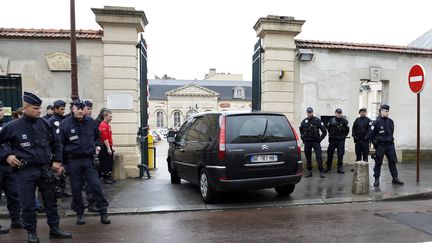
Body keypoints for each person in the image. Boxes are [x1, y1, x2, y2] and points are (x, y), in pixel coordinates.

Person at [0, 92, 72, 242]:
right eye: (35, 108)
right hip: (25, 171)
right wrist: (7, 155)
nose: (39, 111)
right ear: (25, 108)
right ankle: (31, 232)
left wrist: (57, 161)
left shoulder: (45, 124)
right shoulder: (12, 126)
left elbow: (57, 143)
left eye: (40, 108)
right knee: (28, 204)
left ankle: (55, 228)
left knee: (50, 201)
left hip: (45, 169)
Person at [59, 99, 111, 225]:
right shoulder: (65, 124)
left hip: (89, 160)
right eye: (78, 108)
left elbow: (97, 138)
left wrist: (98, 146)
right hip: (73, 161)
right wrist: (61, 163)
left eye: (82, 109)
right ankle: (80, 213)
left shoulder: (91, 122)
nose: (80, 111)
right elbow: (59, 144)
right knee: (76, 189)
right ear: (73, 109)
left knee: (96, 186)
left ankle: (103, 212)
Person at [0, 101, 23, 234]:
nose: (1, 112)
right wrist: (6, 156)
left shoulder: (5, 127)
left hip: (8, 168)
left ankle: (16, 220)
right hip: (2, 163)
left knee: (14, 194)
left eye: (2, 109)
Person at [370, 104, 404, 187]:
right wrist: (376, 144)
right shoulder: (376, 122)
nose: (387, 113)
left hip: (389, 145)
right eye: (386, 111)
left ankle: (395, 178)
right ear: (381, 111)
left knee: (392, 162)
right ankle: (376, 179)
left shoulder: (390, 121)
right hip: (381, 145)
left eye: (388, 111)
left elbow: (391, 132)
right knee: (378, 162)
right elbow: (371, 135)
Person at [299, 107, 327, 178]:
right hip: (307, 142)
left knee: (319, 156)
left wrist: (320, 139)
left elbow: (324, 131)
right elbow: (301, 130)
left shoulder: (317, 120)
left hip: (315, 141)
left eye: (310, 112)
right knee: (308, 157)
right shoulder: (304, 121)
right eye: (308, 112)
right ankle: (309, 172)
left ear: (312, 112)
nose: (309, 113)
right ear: (306, 113)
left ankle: (321, 171)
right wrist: (303, 138)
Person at [324, 108, 349, 174]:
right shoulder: (331, 120)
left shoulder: (344, 121)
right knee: (329, 153)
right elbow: (328, 129)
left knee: (341, 154)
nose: (339, 114)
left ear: (341, 113)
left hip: (341, 140)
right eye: (338, 113)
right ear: (335, 113)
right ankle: (328, 167)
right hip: (333, 140)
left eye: (340, 113)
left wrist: (343, 136)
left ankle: (339, 168)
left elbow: (347, 130)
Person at [98, 109, 115, 184]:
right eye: (110, 116)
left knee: (109, 162)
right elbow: (105, 138)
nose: (111, 118)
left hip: (109, 146)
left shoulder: (108, 125)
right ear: (105, 116)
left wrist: (112, 147)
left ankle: (108, 176)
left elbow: (110, 137)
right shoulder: (103, 125)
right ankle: (105, 177)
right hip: (105, 147)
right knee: (105, 162)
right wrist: (108, 148)